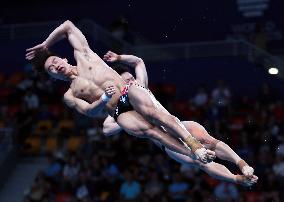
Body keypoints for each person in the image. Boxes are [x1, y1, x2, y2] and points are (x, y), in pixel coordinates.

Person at [25, 20, 212, 163]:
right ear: (52, 77)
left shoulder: (83, 54)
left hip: (127, 91)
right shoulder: (69, 94)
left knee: (154, 113)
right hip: (117, 109)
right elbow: (90, 112)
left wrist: (45, 45)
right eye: (51, 69)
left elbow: (67, 26)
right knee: (151, 132)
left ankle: (194, 143)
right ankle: (194, 154)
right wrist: (104, 97)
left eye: (55, 61)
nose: (56, 66)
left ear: (63, 58)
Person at [102, 51, 258, 186]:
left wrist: (119, 57)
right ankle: (237, 179)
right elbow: (106, 129)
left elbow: (138, 62)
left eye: (132, 79)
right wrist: (123, 119)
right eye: (128, 82)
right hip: (168, 141)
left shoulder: (141, 85)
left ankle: (241, 163)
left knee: (208, 140)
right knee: (201, 162)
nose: (132, 82)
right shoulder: (122, 108)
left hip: (179, 125)